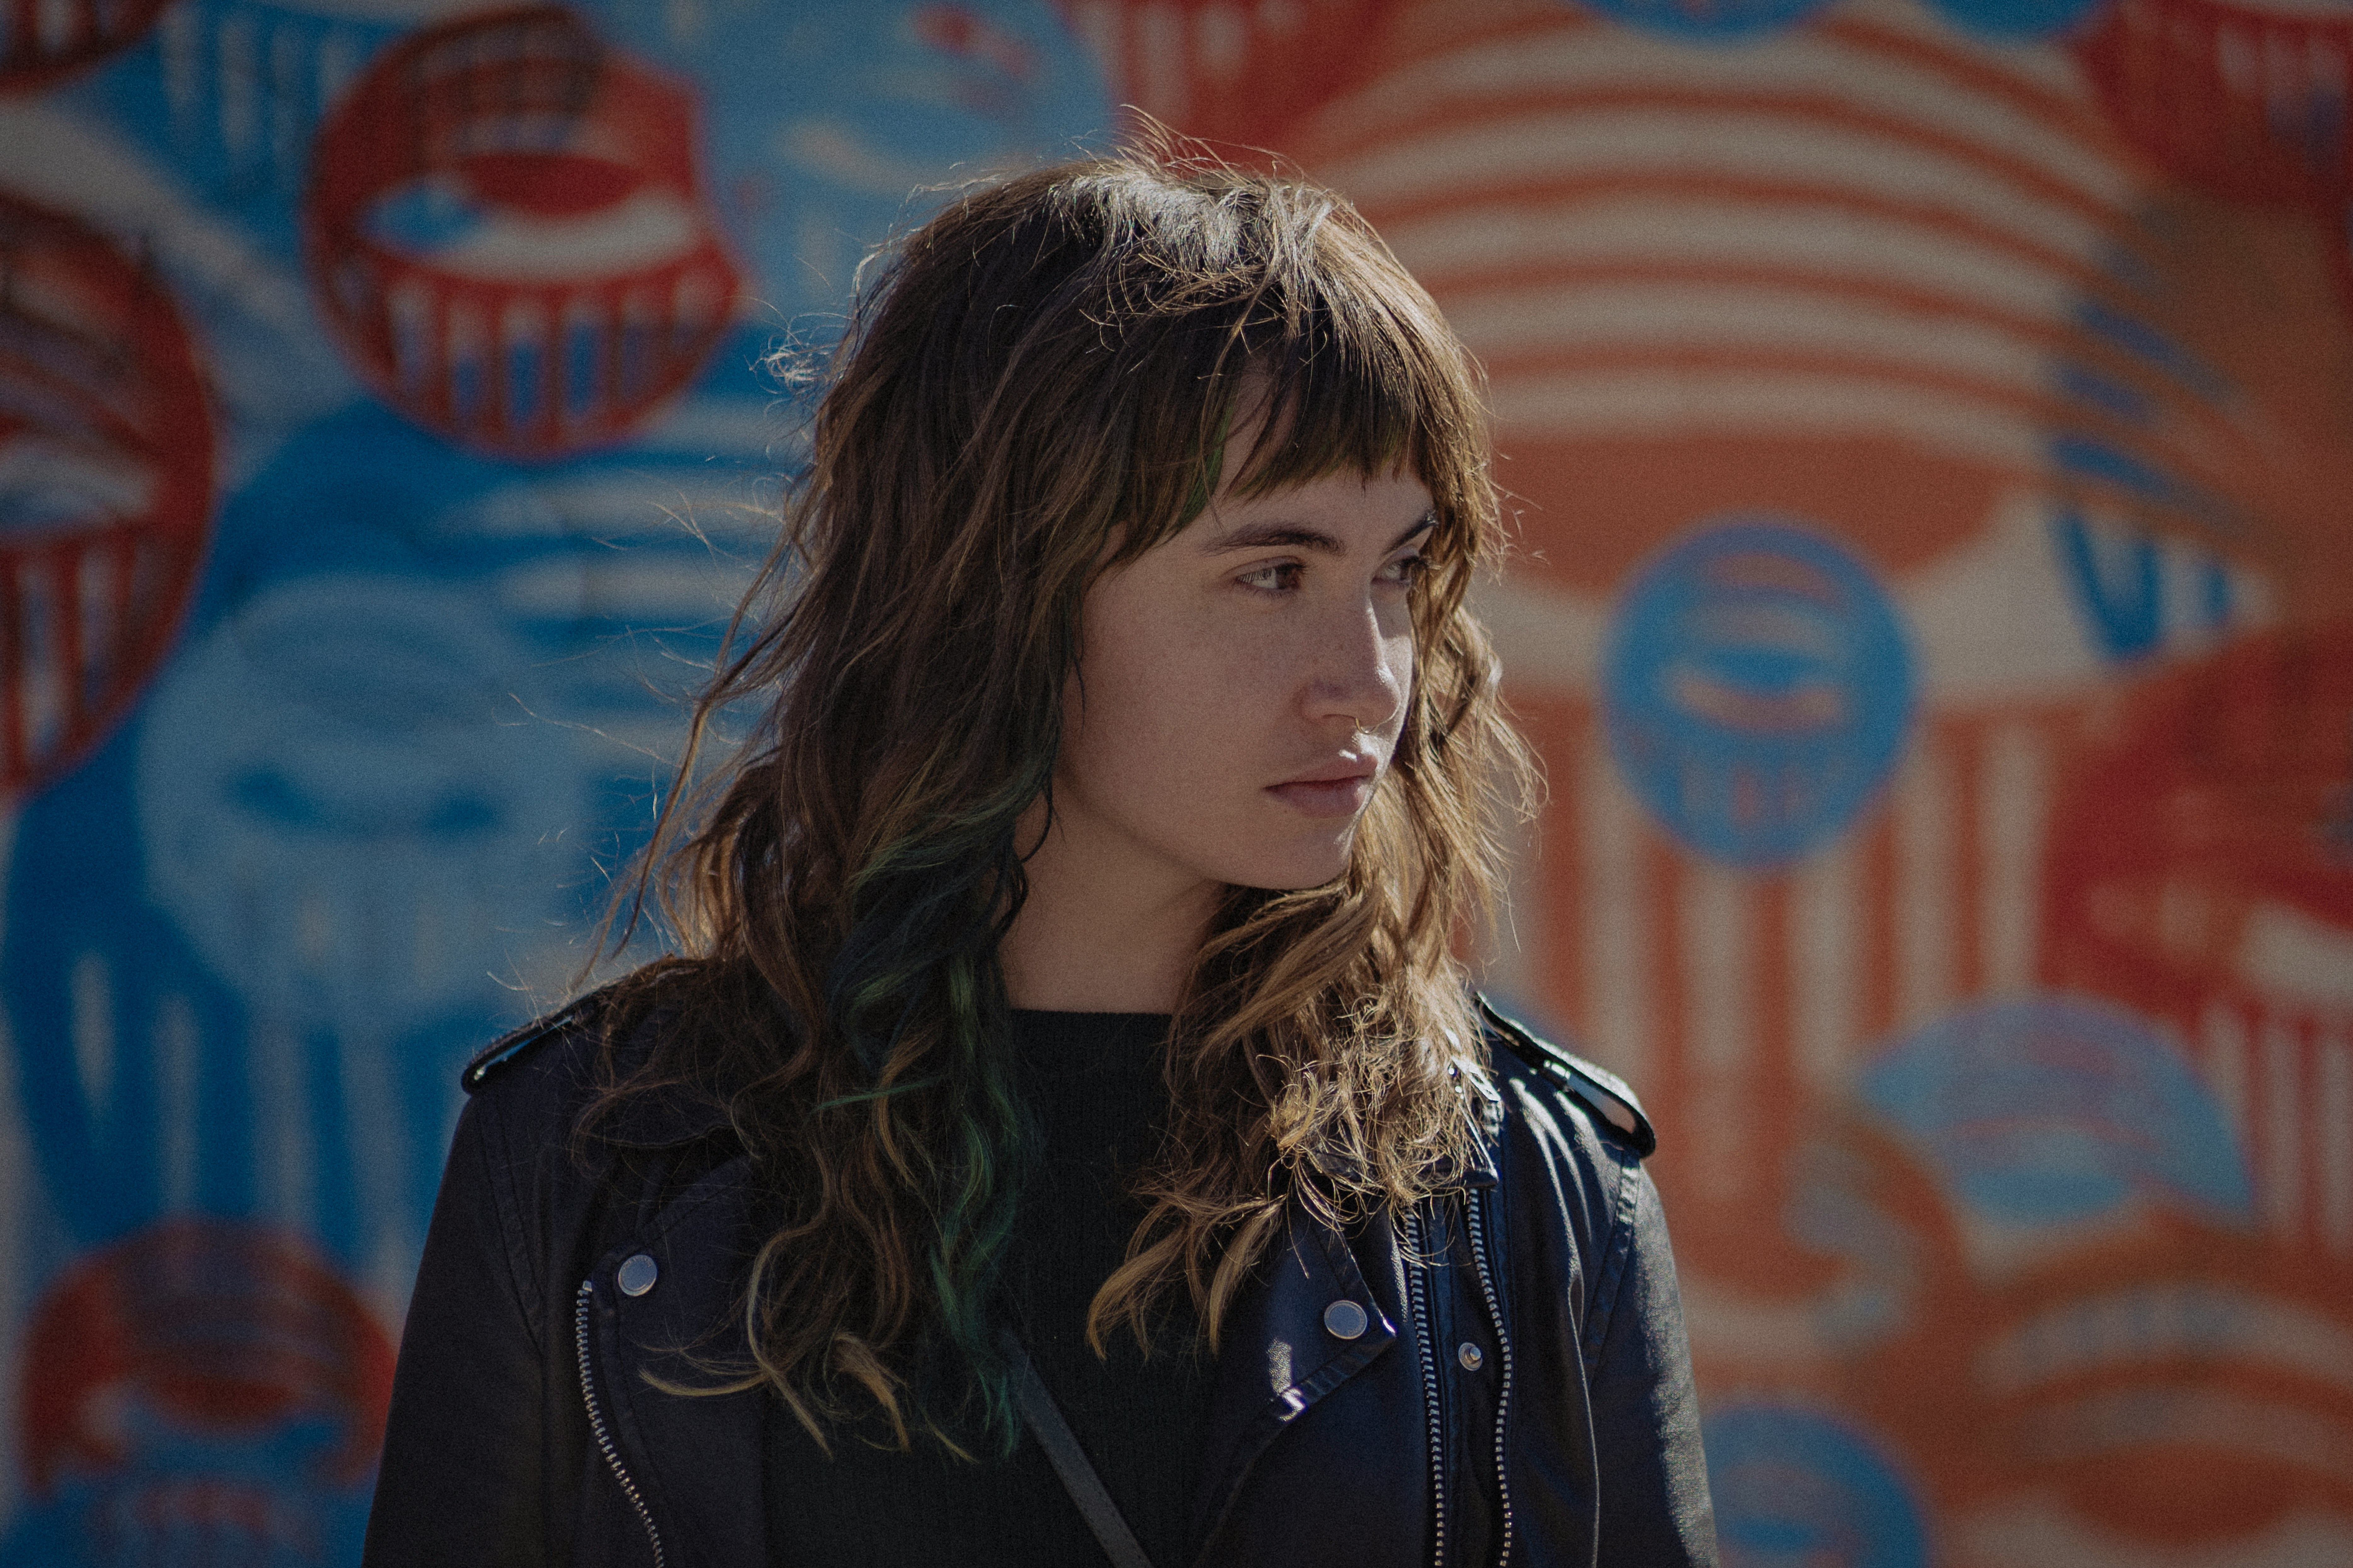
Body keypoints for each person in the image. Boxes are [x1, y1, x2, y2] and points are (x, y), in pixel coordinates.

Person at [362, 150, 1718, 1568]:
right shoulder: (599, 1160)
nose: (1371, 677)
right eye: (1275, 573)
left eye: (1400, 573)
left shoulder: (1528, 1192)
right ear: (1000, 593)